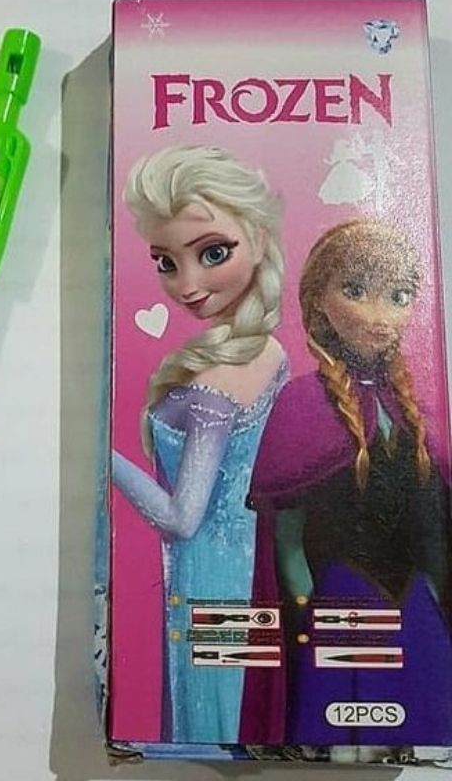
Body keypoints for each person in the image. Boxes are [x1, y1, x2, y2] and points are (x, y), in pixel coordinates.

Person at [249, 219, 452, 746]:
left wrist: (437, 597)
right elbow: (286, 541)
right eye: (357, 290)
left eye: (399, 296)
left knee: (426, 724)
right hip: (340, 603)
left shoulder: (419, 409)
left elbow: (435, 528)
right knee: (339, 737)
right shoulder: (301, 403)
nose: (381, 316)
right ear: (319, 302)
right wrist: (307, 617)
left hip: (417, 605)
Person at [111, 145, 286, 743]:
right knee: (230, 717)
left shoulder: (217, 382)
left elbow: (181, 518)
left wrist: (102, 462)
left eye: (213, 253)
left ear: (257, 238)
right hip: (246, 569)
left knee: (211, 717)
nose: (187, 285)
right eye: (166, 262)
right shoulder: (268, 351)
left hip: (212, 579)